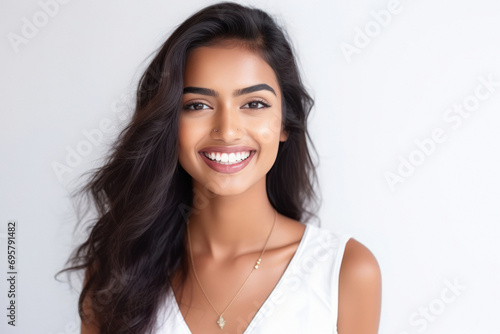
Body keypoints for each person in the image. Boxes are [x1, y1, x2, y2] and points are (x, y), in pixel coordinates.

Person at [56, 2, 381, 333]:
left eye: (253, 104)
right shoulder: (114, 275)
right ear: (169, 123)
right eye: (197, 105)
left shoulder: (346, 272)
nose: (227, 130)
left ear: (285, 122)